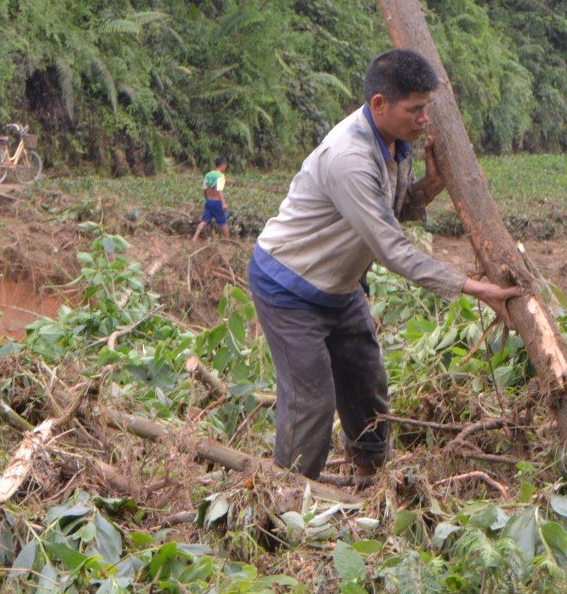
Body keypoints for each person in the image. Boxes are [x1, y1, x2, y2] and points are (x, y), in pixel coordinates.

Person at [251, 48, 522, 481]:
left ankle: (372, 479)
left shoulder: (398, 143)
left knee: (366, 380)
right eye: (415, 109)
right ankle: (287, 493)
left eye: (427, 108)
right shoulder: (350, 158)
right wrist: (475, 288)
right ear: (380, 104)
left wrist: (429, 186)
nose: (424, 119)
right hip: (290, 287)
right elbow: (391, 248)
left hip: (340, 286)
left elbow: (388, 211)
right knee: (312, 399)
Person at [194, 161, 231, 242]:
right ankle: (228, 241)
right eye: (225, 165)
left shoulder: (208, 174)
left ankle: (195, 237)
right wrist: (224, 203)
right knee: (223, 222)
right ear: (223, 165)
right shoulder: (221, 176)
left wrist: (206, 198)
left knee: (204, 221)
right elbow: (219, 190)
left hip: (209, 201)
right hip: (217, 202)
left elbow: (205, 189)